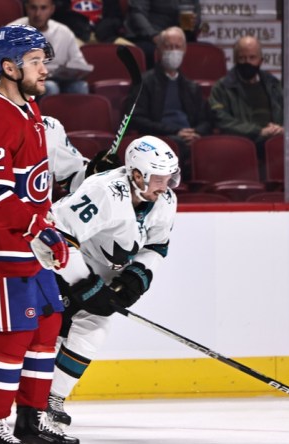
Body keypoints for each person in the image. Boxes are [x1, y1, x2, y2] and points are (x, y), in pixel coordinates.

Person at [0, 24, 77, 444]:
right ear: (8, 67)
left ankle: (30, 419)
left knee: (48, 323)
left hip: (26, 239)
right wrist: (39, 229)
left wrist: (48, 227)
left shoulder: (27, 106)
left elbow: (31, 183)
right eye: (36, 62)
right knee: (13, 333)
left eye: (45, 60)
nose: (45, 69)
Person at [45, 135, 179, 433]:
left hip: (100, 274)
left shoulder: (165, 199)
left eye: (169, 177)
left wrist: (135, 278)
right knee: (43, 334)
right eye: (158, 177)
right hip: (58, 264)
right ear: (135, 174)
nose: (165, 184)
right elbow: (57, 234)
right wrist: (83, 282)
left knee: (94, 329)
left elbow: (156, 246)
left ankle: (51, 398)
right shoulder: (103, 191)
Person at [131, 26, 210, 178]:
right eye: (168, 47)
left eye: (177, 47)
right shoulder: (144, 82)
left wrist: (196, 132)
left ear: (184, 50)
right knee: (176, 144)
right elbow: (136, 118)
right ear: (159, 50)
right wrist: (175, 131)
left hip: (188, 136)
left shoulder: (191, 86)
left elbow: (205, 120)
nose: (173, 51)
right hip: (161, 137)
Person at [209, 36, 289, 153]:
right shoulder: (222, 87)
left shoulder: (274, 84)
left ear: (261, 60)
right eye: (242, 58)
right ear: (235, 60)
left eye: (252, 57)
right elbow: (221, 120)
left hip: (278, 141)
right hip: (244, 144)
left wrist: (284, 130)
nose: (247, 62)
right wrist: (259, 131)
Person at [9, 0, 92, 96]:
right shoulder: (12, 31)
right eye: (33, 8)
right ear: (26, 8)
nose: (37, 14)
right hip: (27, 82)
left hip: (60, 80)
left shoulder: (63, 32)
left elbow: (80, 64)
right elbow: (5, 67)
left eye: (43, 8)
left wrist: (72, 72)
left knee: (81, 87)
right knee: (50, 87)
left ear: (52, 9)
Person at [124, 0, 201, 69]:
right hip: (150, 36)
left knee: (200, 52)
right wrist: (153, 36)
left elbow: (197, 15)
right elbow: (138, 14)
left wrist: (194, 22)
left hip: (182, 36)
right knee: (150, 52)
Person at [51, 0, 126, 44]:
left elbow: (116, 18)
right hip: (74, 37)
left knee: (132, 51)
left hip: (106, 37)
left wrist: (103, 30)